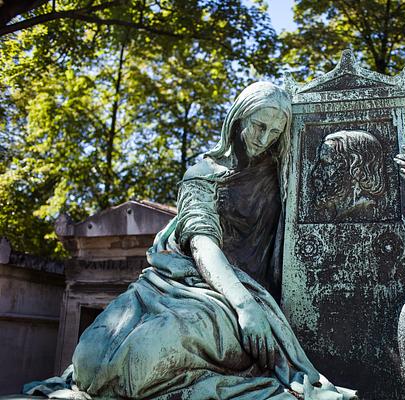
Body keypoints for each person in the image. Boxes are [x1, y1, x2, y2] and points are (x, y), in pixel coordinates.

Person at [70, 82, 355, 400]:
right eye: (259, 126)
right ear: (238, 119)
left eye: (274, 132)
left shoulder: (285, 174)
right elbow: (202, 243)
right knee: (91, 356)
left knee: (142, 355)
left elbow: (345, 198)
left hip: (235, 300)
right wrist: (245, 307)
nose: (264, 139)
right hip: (189, 284)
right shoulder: (202, 174)